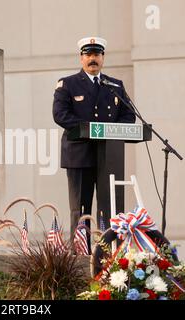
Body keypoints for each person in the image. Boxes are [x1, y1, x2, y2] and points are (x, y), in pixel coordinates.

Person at [52, 36, 135, 251]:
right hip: (79, 155)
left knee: (109, 209)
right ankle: (81, 256)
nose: (92, 59)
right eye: (88, 55)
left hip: (109, 157)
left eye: (97, 55)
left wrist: (110, 131)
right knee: (81, 210)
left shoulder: (115, 85)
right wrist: (89, 129)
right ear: (81, 58)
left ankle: (108, 254)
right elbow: (60, 115)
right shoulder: (68, 84)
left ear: (103, 58)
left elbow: (129, 116)